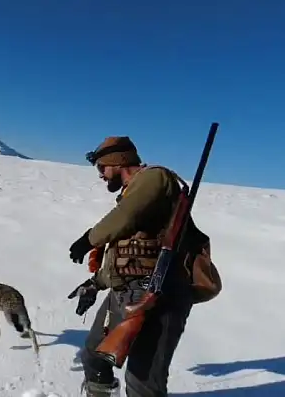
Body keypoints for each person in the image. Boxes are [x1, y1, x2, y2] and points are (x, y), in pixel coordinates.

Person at [66, 136, 195, 397]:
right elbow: (128, 255)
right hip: (124, 292)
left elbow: (125, 217)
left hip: (157, 294)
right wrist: (96, 283)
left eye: (102, 168)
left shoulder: (155, 179)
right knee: (94, 356)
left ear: (119, 161)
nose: (101, 175)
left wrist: (88, 239)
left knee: (142, 382)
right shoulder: (133, 195)